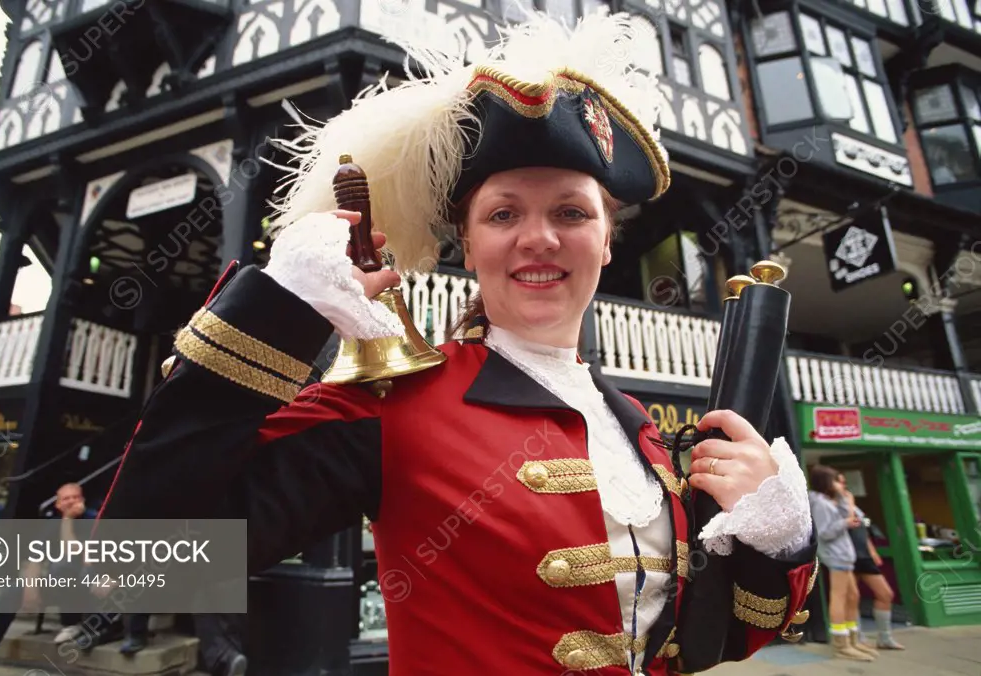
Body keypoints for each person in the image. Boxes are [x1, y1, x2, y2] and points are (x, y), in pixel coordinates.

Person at [96, 10, 817, 674]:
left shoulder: (640, 433)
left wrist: (778, 533)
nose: (539, 237)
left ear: (604, 242)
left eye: (571, 211)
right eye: (504, 214)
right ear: (468, 247)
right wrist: (278, 308)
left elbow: (712, 640)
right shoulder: (393, 405)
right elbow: (133, 567)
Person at [0, 483, 100, 675]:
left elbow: (75, 554)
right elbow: (35, 558)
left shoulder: (93, 520)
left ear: (82, 500)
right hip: (58, 584)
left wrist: (68, 521)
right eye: (66, 498)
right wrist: (30, 588)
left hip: (86, 586)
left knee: (62, 567)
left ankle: (72, 622)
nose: (71, 501)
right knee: (11, 593)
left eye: (75, 497)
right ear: (57, 504)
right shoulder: (52, 524)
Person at [808, 466, 873, 662]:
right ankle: (841, 644)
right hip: (836, 555)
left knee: (853, 596)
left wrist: (846, 499)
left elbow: (848, 515)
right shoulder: (819, 503)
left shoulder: (828, 501)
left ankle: (853, 638)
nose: (841, 485)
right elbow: (825, 532)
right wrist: (845, 523)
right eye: (837, 481)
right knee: (839, 597)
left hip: (844, 555)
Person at [837, 472, 904, 651]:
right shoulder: (832, 504)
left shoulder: (853, 506)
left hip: (863, 554)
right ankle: (856, 636)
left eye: (844, 481)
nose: (843, 485)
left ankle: (885, 636)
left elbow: (862, 529)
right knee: (851, 598)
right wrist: (849, 501)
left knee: (885, 594)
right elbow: (848, 522)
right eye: (839, 481)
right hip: (846, 554)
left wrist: (872, 550)